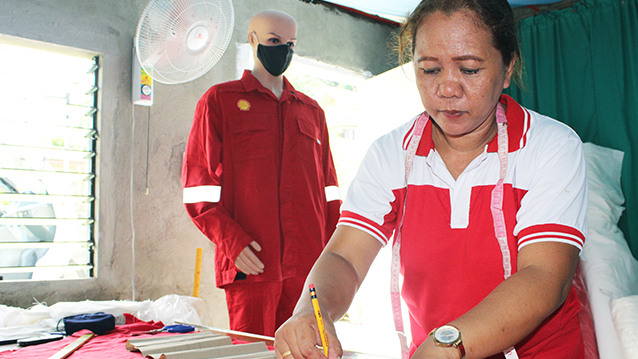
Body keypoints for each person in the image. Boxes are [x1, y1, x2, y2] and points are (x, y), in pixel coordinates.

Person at [273, 0, 587, 358]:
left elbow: (544, 277)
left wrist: (446, 345)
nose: (447, 89)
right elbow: (345, 256)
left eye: (469, 69)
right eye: (430, 69)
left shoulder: (550, 146)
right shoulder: (392, 154)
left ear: (507, 68)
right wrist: (313, 313)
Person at [181, 9, 341, 337]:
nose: (284, 50)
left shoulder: (312, 112)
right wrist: (232, 243)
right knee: (251, 351)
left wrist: (332, 257)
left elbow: (329, 192)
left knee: (308, 349)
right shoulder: (220, 102)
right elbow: (199, 191)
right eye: (274, 41)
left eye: (291, 44)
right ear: (252, 40)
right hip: (252, 261)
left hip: (308, 267)